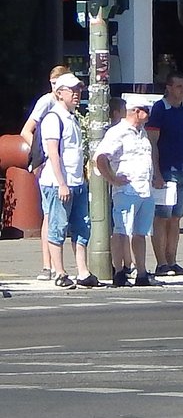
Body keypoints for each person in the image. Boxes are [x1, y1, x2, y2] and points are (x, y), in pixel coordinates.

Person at [37, 72, 101, 289]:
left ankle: (82, 272)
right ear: (59, 93)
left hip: (77, 181)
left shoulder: (72, 118)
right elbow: (53, 153)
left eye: (78, 90)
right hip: (58, 184)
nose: (77, 93)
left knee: (82, 226)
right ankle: (60, 272)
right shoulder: (53, 118)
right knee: (58, 226)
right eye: (72, 90)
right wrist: (62, 183)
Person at [93, 94, 162, 287]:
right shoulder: (118, 132)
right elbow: (101, 157)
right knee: (121, 231)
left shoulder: (142, 132)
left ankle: (141, 272)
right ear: (135, 111)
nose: (148, 114)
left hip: (144, 190)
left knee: (140, 233)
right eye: (145, 111)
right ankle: (119, 271)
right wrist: (113, 179)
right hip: (126, 191)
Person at [20, 64, 71, 281]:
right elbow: (26, 130)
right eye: (52, 83)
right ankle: (47, 265)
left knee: (55, 215)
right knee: (50, 214)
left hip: (64, 167)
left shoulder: (69, 105)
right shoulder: (47, 101)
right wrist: (42, 154)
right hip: (48, 166)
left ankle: (53, 264)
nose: (53, 87)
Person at [149, 71, 183, 276]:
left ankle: (172, 260)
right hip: (166, 171)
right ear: (168, 87)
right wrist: (157, 172)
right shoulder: (160, 109)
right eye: (179, 86)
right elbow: (152, 142)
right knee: (162, 217)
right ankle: (161, 263)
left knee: (176, 218)